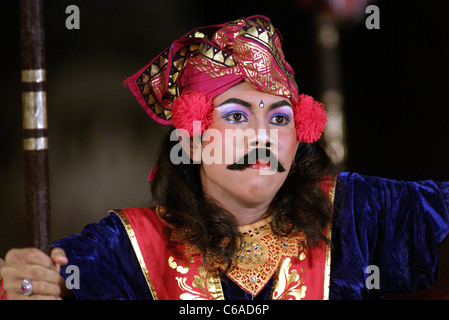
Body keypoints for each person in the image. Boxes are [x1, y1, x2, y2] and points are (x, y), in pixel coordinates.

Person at [1, 15, 448, 300]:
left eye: (279, 119)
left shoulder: (356, 213)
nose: (262, 136)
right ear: (193, 140)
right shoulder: (131, 247)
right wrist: (28, 284)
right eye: (236, 116)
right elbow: (44, 281)